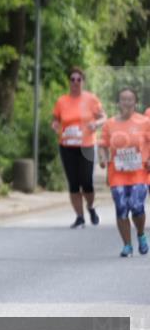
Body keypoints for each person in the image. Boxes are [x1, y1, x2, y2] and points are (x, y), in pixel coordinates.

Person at [98, 88, 150, 257]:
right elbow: (103, 145)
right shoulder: (110, 124)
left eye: (130, 99)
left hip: (140, 173)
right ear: (118, 103)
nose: (127, 103)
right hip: (117, 174)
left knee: (137, 206)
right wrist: (103, 158)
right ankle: (127, 245)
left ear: (135, 102)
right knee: (121, 208)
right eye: (123, 99)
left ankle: (141, 234)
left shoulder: (144, 122)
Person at [51, 67, 105, 228]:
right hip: (67, 145)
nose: (75, 82)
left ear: (83, 82)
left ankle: (90, 207)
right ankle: (80, 217)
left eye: (78, 79)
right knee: (73, 183)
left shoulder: (91, 99)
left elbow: (103, 117)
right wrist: (55, 127)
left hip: (86, 145)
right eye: (72, 79)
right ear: (69, 82)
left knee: (86, 181)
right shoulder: (62, 101)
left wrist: (96, 124)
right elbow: (55, 120)